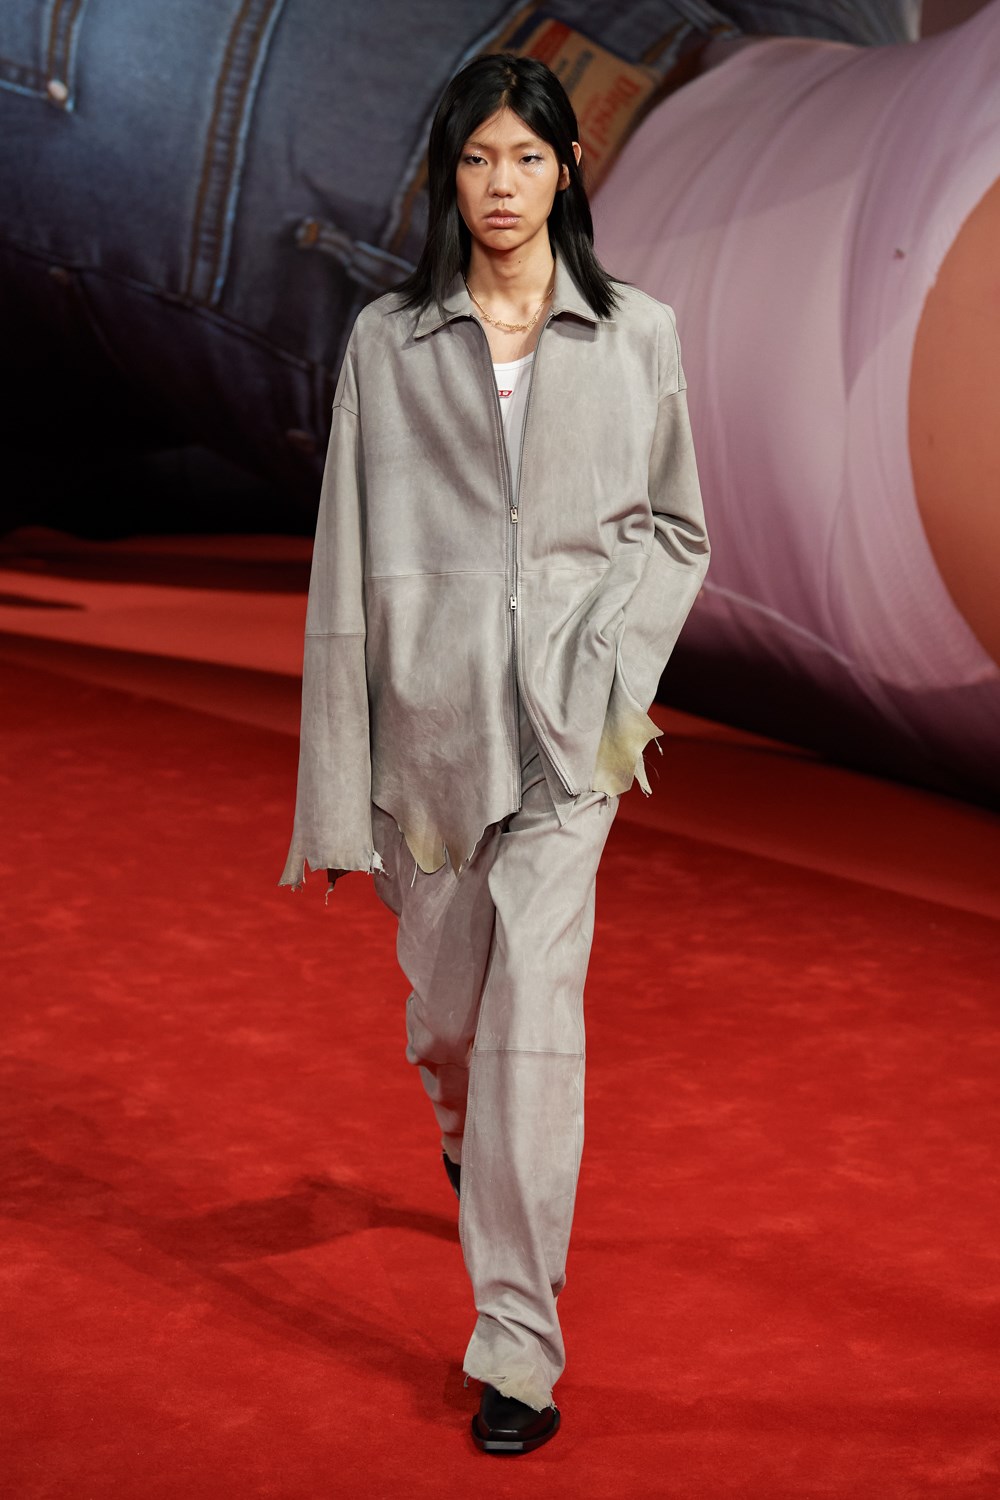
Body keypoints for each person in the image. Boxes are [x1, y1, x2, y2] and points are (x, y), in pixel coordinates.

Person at [280, 52, 709, 1454]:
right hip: (433, 739)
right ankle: (465, 1133)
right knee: (456, 1022)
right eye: (478, 159)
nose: (503, 185)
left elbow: (677, 529)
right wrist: (336, 790)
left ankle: (516, 1344)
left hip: (573, 741)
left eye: (528, 157)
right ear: (448, 176)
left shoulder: (637, 334)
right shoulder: (388, 344)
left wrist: (617, 673)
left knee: (536, 1019)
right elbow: (344, 562)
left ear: (568, 169)